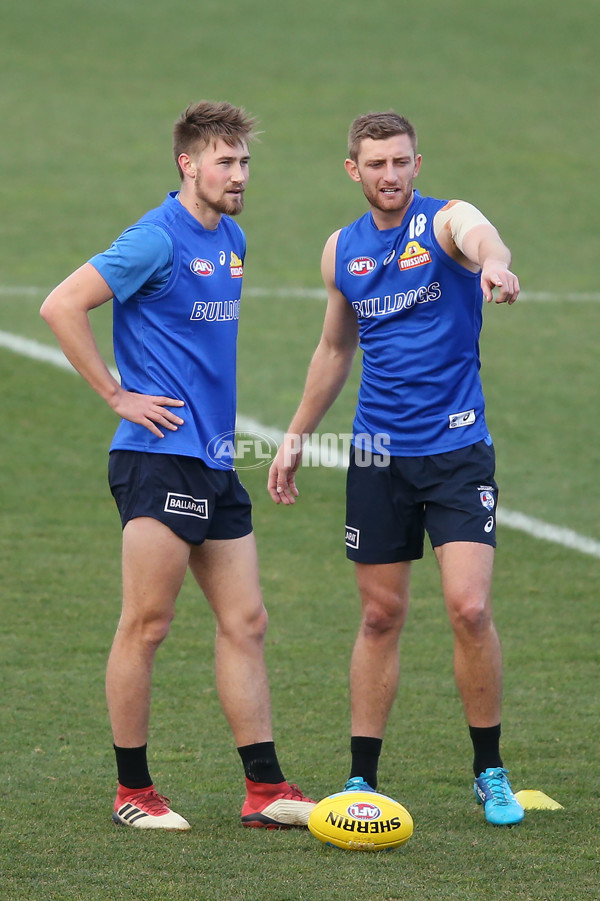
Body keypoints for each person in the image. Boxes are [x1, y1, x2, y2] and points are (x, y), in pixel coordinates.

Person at [40, 100, 315, 832]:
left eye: (245, 162)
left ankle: (265, 788)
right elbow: (62, 304)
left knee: (247, 620)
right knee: (149, 623)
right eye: (225, 161)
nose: (239, 175)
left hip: (213, 462)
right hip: (157, 457)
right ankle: (133, 790)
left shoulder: (232, 238)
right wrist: (115, 392)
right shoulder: (153, 239)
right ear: (187, 164)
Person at [268, 110, 524, 827]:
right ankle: (361, 778)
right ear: (354, 169)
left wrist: (496, 264)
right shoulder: (340, 251)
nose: (391, 176)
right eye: (376, 164)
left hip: (455, 451)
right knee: (380, 614)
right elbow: (333, 349)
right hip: (377, 455)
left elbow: (481, 235)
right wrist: (294, 436)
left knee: (468, 606)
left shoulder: (445, 223)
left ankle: (489, 770)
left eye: (402, 162)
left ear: (418, 163)